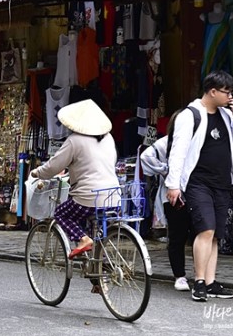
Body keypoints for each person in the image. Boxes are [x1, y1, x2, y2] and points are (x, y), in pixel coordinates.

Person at [166, 71, 233, 302]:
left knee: (214, 234)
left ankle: (211, 281)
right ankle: (200, 281)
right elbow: (178, 151)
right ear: (212, 91)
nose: (230, 96)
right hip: (198, 183)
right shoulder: (190, 115)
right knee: (205, 230)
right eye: (227, 92)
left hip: (223, 184)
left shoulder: (226, 115)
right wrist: (173, 184)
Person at [29, 99, 119, 259]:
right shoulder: (109, 138)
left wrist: (37, 173)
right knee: (97, 237)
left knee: (61, 213)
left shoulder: (74, 141)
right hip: (113, 197)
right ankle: (98, 281)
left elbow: (53, 167)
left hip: (88, 198)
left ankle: (83, 239)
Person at [141, 110, 193, 292]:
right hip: (172, 196)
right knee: (177, 237)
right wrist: (165, 170)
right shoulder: (165, 143)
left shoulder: (197, 143)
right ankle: (180, 275)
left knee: (200, 234)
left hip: (197, 194)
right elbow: (146, 156)